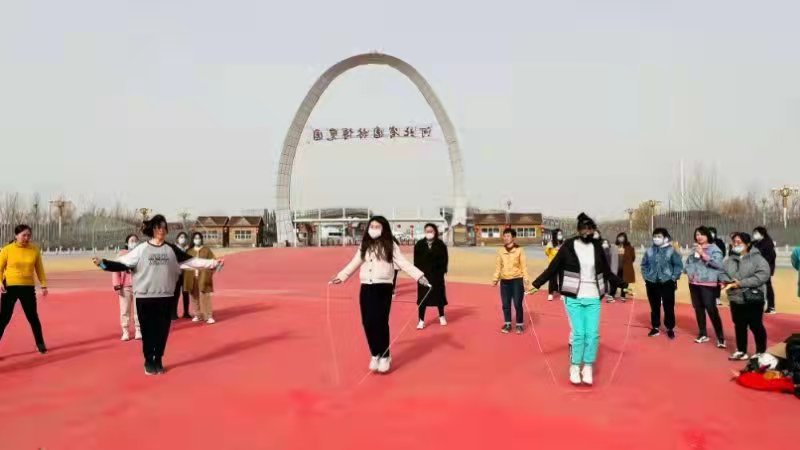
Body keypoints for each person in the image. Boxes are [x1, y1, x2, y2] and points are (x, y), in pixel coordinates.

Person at [93, 215, 223, 376]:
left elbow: (191, 262)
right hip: (145, 298)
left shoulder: (171, 249)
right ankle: (149, 361)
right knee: (148, 333)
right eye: (157, 227)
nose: (161, 230)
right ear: (152, 230)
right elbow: (122, 263)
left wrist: (212, 263)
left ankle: (158, 359)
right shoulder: (141, 249)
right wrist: (103, 263)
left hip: (165, 297)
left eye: (163, 227)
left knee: (162, 332)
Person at [530, 213, 630, 386]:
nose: (586, 232)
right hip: (573, 296)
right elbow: (553, 267)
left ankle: (588, 366)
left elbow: (607, 272)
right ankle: (575, 367)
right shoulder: (568, 246)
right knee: (578, 334)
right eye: (583, 229)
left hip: (593, 296)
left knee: (592, 334)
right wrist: (537, 284)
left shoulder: (597, 247)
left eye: (589, 229)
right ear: (578, 230)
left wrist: (623, 285)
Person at [331, 216, 429, 374]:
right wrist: (342, 276)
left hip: (383, 287)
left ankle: (385, 356)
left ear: (383, 229)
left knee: (380, 322)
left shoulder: (390, 244)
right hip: (366, 287)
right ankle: (375, 354)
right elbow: (355, 262)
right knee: (367, 322)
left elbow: (403, 263)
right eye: (372, 226)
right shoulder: (365, 244)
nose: (373, 229)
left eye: (377, 227)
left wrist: (419, 276)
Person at [719, 232, 770, 360]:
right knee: (739, 325)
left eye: (739, 242)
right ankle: (741, 350)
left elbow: (762, 275)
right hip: (735, 297)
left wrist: (741, 283)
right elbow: (722, 272)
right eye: (734, 242)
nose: (736, 244)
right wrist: (728, 281)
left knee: (755, 325)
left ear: (747, 244)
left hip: (753, 297)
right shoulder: (729, 260)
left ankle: (761, 351)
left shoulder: (757, 259)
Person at [0, 225, 48, 354]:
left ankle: (40, 343)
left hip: (27, 288)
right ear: (16, 236)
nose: (27, 238)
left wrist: (43, 284)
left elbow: (39, 269)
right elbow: (0, 268)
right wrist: (0, 282)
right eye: (24, 235)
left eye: (28, 235)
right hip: (10, 287)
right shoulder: (7, 250)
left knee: (33, 316)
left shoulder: (34, 250)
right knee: (4, 318)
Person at [685, 226, 726, 348]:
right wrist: (690, 272)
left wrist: (703, 254)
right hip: (694, 283)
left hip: (708, 284)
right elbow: (688, 263)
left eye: (702, 234)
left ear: (708, 236)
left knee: (711, 309)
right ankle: (703, 333)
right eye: (697, 234)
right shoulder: (694, 249)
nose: (699, 237)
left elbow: (718, 264)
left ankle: (720, 337)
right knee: (698, 308)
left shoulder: (714, 249)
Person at [641, 228, 683, 339]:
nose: (656, 238)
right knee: (654, 306)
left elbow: (678, 265)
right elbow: (644, 265)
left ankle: (670, 328)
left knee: (668, 306)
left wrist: (673, 278)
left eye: (659, 236)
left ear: (665, 238)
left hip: (667, 282)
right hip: (651, 282)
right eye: (655, 236)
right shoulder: (649, 251)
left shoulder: (671, 250)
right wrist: (646, 277)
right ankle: (655, 327)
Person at [492, 228, 531, 335]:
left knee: (518, 303)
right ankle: (507, 323)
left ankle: (519, 324)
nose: (506, 238)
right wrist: (495, 278)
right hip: (504, 281)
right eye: (504, 236)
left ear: (513, 238)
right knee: (505, 304)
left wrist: (526, 280)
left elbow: (524, 266)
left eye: (508, 236)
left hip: (517, 280)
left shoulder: (519, 250)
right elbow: (498, 266)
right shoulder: (501, 251)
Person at [414, 223, 449, 330]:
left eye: (431, 231)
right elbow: (416, 261)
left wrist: (442, 271)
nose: (429, 233)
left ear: (435, 232)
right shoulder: (419, 244)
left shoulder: (440, 244)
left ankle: (441, 316)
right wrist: (418, 275)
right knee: (422, 298)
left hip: (437, 275)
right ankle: (421, 320)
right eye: (427, 231)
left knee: (439, 296)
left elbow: (445, 259)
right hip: (423, 276)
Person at [113, 234, 142, 341]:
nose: (134, 242)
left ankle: (138, 330)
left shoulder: (141, 254)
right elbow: (115, 271)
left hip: (139, 286)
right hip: (125, 286)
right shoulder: (121, 255)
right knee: (125, 310)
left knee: (139, 310)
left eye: (136, 240)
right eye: (132, 241)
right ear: (127, 243)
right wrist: (117, 285)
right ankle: (125, 331)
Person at [184, 232, 217, 324]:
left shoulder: (207, 250)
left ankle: (208, 316)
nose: (197, 240)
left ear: (201, 239)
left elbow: (213, 261)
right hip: (192, 276)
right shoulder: (189, 251)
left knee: (205, 296)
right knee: (194, 296)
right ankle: (197, 315)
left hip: (203, 276)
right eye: (195, 238)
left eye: (199, 238)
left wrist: (210, 271)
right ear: (193, 240)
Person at [752, 227, 777, 314]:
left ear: (762, 234)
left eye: (756, 233)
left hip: (765, 268)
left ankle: (771, 306)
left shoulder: (768, 244)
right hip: (755, 268)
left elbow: (770, 257)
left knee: (767, 286)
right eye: (754, 233)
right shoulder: (755, 243)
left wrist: (761, 265)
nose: (754, 235)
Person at [173, 232, 192, 320]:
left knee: (186, 293)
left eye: (184, 237)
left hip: (186, 274)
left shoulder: (188, 249)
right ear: (177, 239)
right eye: (181, 237)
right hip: (177, 274)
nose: (183, 239)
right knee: (176, 294)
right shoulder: (174, 248)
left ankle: (186, 312)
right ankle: (173, 313)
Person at [613, 232, 636, 302]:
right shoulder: (614, 247)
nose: (621, 238)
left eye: (622, 237)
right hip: (616, 268)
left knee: (625, 282)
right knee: (615, 281)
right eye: (619, 237)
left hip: (626, 268)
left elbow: (633, 257)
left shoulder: (630, 247)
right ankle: (612, 294)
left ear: (625, 238)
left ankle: (623, 295)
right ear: (617, 238)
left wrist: (627, 263)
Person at [708, 227, 727, 307]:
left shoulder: (719, 242)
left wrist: (717, 259)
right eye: (709, 232)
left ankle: (717, 298)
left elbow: (723, 252)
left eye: (712, 232)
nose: (711, 234)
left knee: (717, 282)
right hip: (707, 265)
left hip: (717, 265)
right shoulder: (705, 241)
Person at [544, 229, 564, 301]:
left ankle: (562, 294)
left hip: (562, 264)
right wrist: (550, 248)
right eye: (559, 234)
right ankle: (550, 294)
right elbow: (547, 253)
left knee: (562, 279)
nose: (560, 236)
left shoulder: (563, 243)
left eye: (561, 234)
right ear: (555, 235)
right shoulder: (550, 243)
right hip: (553, 264)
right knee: (552, 279)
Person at [600, 236, 620, 303]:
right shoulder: (600, 251)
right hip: (603, 268)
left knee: (611, 280)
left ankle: (612, 293)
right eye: (604, 243)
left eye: (606, 243)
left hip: (610, 268)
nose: (605, 244)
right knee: (604, 281)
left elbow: (612, 259)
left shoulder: (610, 250)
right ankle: (605, 291)